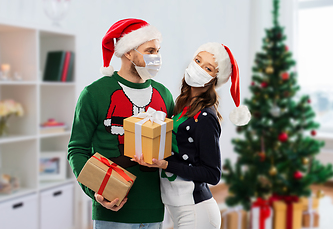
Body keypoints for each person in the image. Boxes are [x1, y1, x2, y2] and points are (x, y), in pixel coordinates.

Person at [67, 18, 174, 229]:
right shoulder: (94, 94)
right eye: (150, 50)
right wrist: (95, 192)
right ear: (128, 52)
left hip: (154, 211)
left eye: (158, 51)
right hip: (112, 214)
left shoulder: (164, 95)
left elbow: (172, 148)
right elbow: (77, 150)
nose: (157, 57)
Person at [133, 42, 251, 229]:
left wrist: (165, 164)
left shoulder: (205, 117)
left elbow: (213, 174)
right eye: (198, 60)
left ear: (214, 78)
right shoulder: (181, 106)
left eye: (208, 68)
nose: (199, 68)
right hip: (178, 207)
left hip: (196, 210)